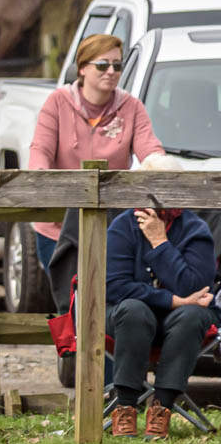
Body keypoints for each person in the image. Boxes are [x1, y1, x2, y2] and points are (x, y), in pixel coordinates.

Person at [29, 33, 165, 278]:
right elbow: (41, 149)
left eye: (117, 65)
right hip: (58, 227)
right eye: (102, 65)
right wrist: (41, 181)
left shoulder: (132, 107)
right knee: (69, 303)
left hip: (113, 226)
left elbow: (150, 150)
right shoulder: (57, 102)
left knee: (109, 297)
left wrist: (162, 168)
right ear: (82, 68)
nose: (111, 71)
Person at [104, 154, 216, 440]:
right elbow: (114, 287)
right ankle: (126, 407)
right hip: (126, 319)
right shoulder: (122, 226)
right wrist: (173, 300)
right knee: (133, 309)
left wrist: (159, 243)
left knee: (194, 315)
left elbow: (195, 286)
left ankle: (162, 408)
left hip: (178, 323)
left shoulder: (194, 229)